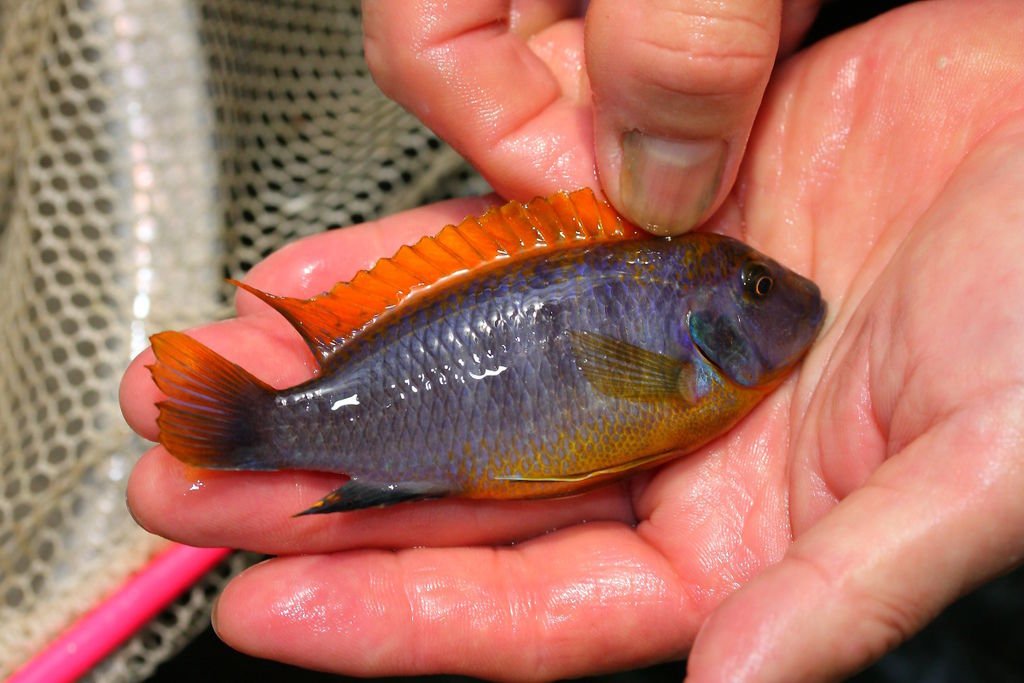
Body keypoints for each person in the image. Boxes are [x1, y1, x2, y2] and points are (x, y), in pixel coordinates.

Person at [120, 0, 1024, 680]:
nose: (772, 295)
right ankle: (261, 424)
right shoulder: (691, 373)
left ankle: (264, 426)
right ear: (708, 314)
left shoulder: (701, 359)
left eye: (758, 285)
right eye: (753, 286)